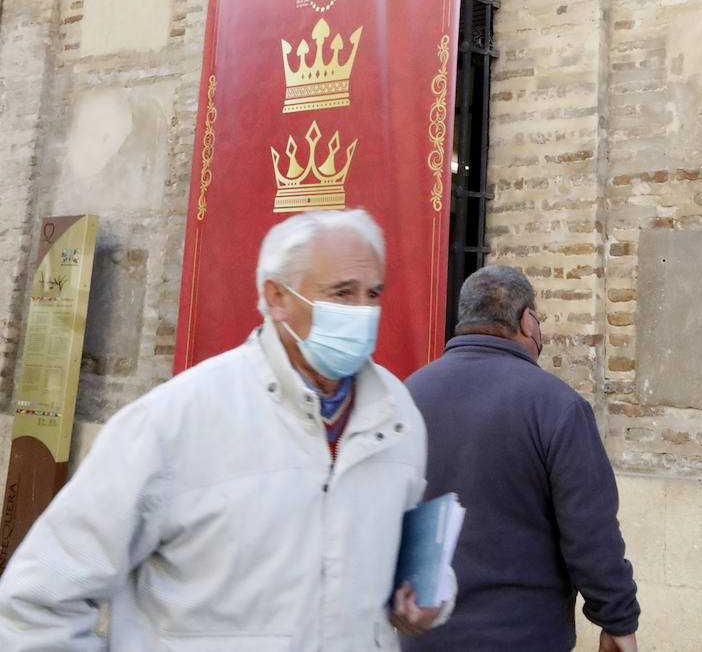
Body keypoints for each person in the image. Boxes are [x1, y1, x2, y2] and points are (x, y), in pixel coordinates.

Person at [0, 208, 449, 650]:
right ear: (277, 298)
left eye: (373, 293)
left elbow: (398, 555)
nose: (364, 311)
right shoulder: (175, 420)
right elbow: (37, 603)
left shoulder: (396, 415)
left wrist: (427, 595)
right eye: (342, 293)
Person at [403, 265, 640, 652]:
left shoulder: (407, 396)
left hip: (422, 636)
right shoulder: (558, 406)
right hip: (524, 636)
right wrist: (618, 620)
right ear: (527, 321)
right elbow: (590, 534)